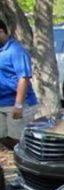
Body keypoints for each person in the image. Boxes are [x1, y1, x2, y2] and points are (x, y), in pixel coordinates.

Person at [0, 19, 38, 149]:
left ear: (1, 32)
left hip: (18, 102)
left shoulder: (16, 51)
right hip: (2, 102)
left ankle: (28, 165)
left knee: (18, 140)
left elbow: (23, 78)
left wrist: (18, 105)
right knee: (3, 137)